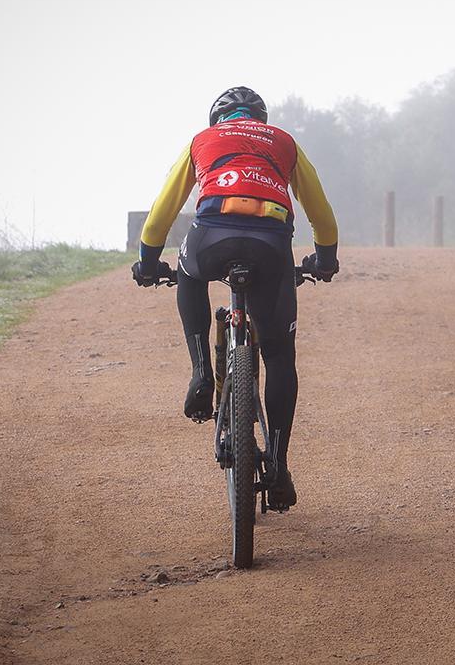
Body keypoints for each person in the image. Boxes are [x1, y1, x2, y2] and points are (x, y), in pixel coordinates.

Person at [132, 86, 339, 509]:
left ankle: (201, 373)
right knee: (280, 356)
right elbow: (320, 211)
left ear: (217, 120)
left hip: (213, 236)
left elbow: (162, 212)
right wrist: (325, 259)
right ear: (260, 119)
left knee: (189, 273)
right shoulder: (284, 143)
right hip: (272, 242)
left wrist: (149, 262)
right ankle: (278, 463)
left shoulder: (201, 142)